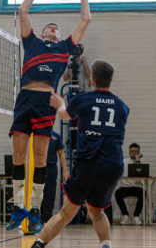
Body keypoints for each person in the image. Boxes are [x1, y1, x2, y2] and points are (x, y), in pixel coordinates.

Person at [7, 0, 91, 234]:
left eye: (56, 27)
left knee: (41, 158)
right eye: (50, 27)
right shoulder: (31, 42)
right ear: (43, 33)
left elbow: (86, 20)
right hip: (24, 100)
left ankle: (34, 211)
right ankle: (18, 206)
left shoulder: (65, 48)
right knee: (19, 156)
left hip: (46, 103)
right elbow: (22, 11)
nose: (53, 29)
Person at [31, 60, 129, 248]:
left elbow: (65, 115)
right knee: (96, 211)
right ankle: (106, 245)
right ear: (110, 80)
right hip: (112, 165)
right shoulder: (122, 106)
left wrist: (60, 103)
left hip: (89, 163)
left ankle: (38, 244)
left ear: (92, 79)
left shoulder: (83, 100)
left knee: (66, 212)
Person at [40, 130, 69, 223]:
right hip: (38, 167)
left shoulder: (56, 136)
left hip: (51, 167)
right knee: (38, 192)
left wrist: (65, 171)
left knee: (50, 194)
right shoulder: (37, 133)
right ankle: (37, 217)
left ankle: (46, 218)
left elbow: (61, 154)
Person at [114, 143, 144, 225]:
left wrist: (138, 163)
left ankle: (136, 216)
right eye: (132, 151)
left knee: (143, 193)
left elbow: (142, 177)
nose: (134, 153)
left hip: (136, 187)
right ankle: (125, 215)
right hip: (124, 187)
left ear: (139, 152)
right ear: (129, 152)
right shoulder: (123, 162)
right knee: (117, 193)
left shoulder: (142, 163)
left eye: (136, 151)